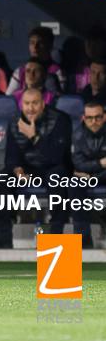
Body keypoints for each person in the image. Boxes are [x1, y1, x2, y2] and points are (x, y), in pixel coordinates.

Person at [0, 88, 71, 249]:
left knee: (58, 177)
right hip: (28, 169)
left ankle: (56, 234)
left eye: (35, 103)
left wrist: (34, 136)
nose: (30, 108)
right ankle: (3, 236)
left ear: (43, 104)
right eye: (27, 103)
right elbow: (10, 156)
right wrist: (17, 170)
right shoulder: (15, 121)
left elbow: (56, 156)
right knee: (2, 179)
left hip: (53, 167)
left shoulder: (60, 120)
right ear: (21, 105)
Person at [69, 102, 106, 249]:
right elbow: (79, 164)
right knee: (74, 183)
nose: (94, 121)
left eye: (98, 117)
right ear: (83, 118)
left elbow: (85, 166)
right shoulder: (77, 135)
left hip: (95, 176)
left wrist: (93, 177)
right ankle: (83, 238)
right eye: (90, 118)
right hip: (85, 176)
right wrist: (101, 163)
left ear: (104, 117)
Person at [6, 26, 64, 95]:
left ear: (50, 46)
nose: (35, 47)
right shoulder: (19, 72)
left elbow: (59, 99)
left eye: (40, 43)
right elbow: (8, 98)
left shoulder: (57, 72)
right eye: (32, 43)